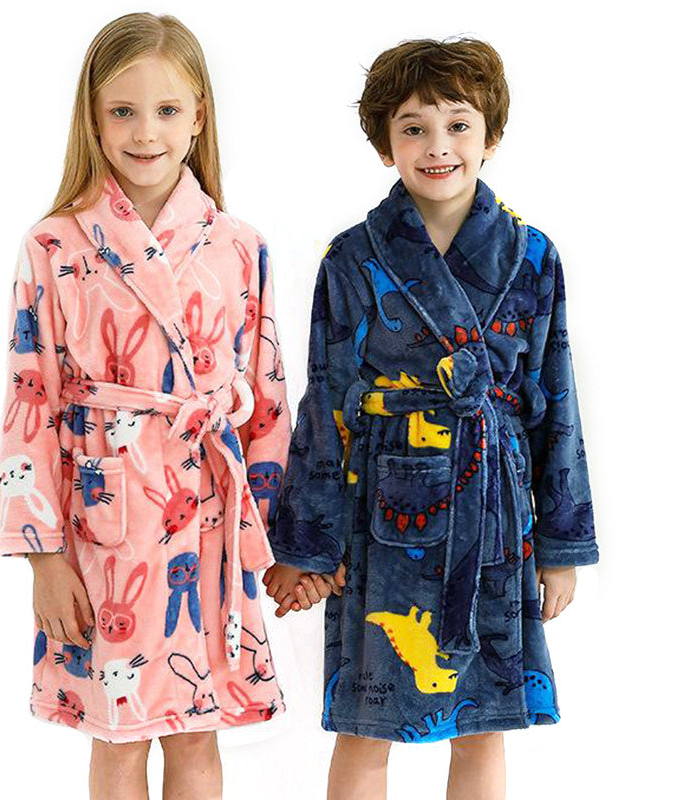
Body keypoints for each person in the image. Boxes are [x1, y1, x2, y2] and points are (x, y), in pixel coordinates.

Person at [262, 37, 598, 800]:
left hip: (496, 516)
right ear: (386, 145)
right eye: (413, 128)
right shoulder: (353, 258)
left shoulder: (532, 255)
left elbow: (556, 401)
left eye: (457, 124)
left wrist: (561, 547)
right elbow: (325, 402)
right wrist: (311, 545)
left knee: (484, 725)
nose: (437, 146)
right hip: (381, 513)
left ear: (491, 136)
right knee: (365, 724)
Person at [0, 12, 291, 800]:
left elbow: (265, 401)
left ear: (198, 118)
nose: (145, 132)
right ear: (93, 118)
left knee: (197, 732)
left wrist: (279, 536)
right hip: (105, 530)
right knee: (119, 737)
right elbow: (30, 404)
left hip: (208, 523)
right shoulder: (53, 245)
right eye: (123, 111)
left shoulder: (240, 245)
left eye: (166, 110)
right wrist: (43, 557)